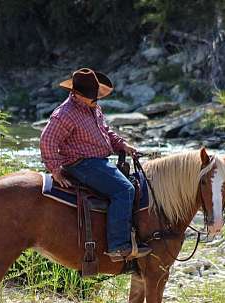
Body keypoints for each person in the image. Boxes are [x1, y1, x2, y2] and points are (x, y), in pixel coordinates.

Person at [40, 68, 152, 262]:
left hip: (98, 161)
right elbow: (47, 140)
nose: (96, 100)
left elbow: (106, 132)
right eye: (91, 97)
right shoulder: (64, 114)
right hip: (81, 164)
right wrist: (55, 169)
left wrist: (122, 145)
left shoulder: (93, 108)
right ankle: (118, 245)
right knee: (124, 190)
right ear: (76, 94)